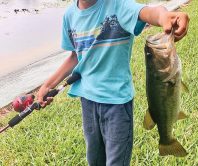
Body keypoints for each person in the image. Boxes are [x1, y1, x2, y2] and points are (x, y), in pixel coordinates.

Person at [37, 0, 189, 165]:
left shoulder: (118, 5)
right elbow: (76, 56)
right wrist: (47, 85)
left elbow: (150, 12)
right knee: (95, 160)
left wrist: (165, 16)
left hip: (117, 105)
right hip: (87, 102)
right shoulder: (69, 15)